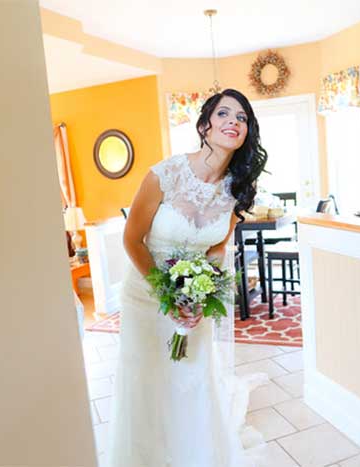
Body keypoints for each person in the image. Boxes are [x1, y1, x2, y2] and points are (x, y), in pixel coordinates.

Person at [104, 89, 268, 467]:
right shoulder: (165, 174)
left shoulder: (236, 189)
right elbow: (132, 239)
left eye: (241, 118)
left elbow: (217, 246)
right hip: (146, 296)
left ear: (247, 132)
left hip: (193, 303)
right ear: (205, 124)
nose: (233, 121)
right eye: (223, 113)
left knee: (190, 381)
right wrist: (167, 294)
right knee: (148, 383)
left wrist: (200, 294)